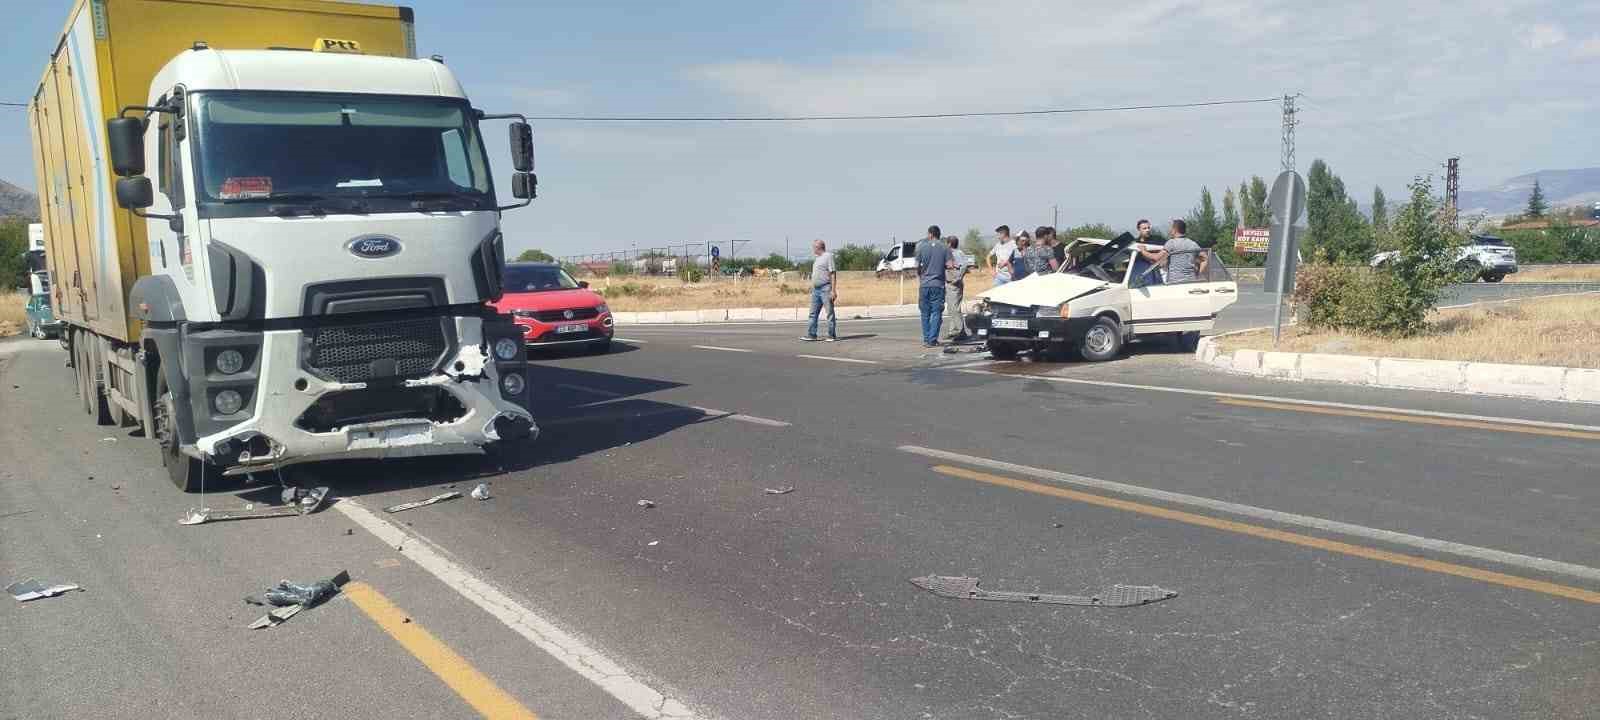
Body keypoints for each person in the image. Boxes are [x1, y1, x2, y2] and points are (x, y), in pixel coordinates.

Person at [914, 225, 953, 347]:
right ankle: (932, 339)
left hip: (924, 284)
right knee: (936, 312)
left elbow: (916, 266)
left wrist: (921, 275)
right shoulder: (945, 248)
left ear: (930, 234)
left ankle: (926, 339)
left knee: (925, 312)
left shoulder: (921, 247)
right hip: (938, 284)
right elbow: (950, 265)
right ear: (939, 235)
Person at [1138, 219, 1202, 284]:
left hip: (1175, 281)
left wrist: (1143, 251)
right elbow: (1205, 259)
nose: (1147, 230)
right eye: (1144, 228)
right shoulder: (1193, 243)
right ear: (1139, 229)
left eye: (1148, 228)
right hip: (1191, 280)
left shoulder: (1169, 242)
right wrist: (1199, 275)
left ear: (1174, 230)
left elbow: (1156, 257)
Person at [800, 239, 838, 341]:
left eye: (814, 247)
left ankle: (831, 335)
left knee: (829, 313)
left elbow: (833, 273)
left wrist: (833, 290)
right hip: (816, 290)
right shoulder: (817, 258)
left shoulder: (828, 256)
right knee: (813, 313)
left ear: (818, 247)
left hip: (825, 288)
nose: (813, 249)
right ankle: (812, 334)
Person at [945, 236, 974, 341]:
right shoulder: (949, 254)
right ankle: (953, 331)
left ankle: (961, 332)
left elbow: (965, 265)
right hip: (949, 283)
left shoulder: (957, 253)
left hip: (955, 284)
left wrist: (958, 278)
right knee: (951, 308)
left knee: (955, 308)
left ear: (949, 244)